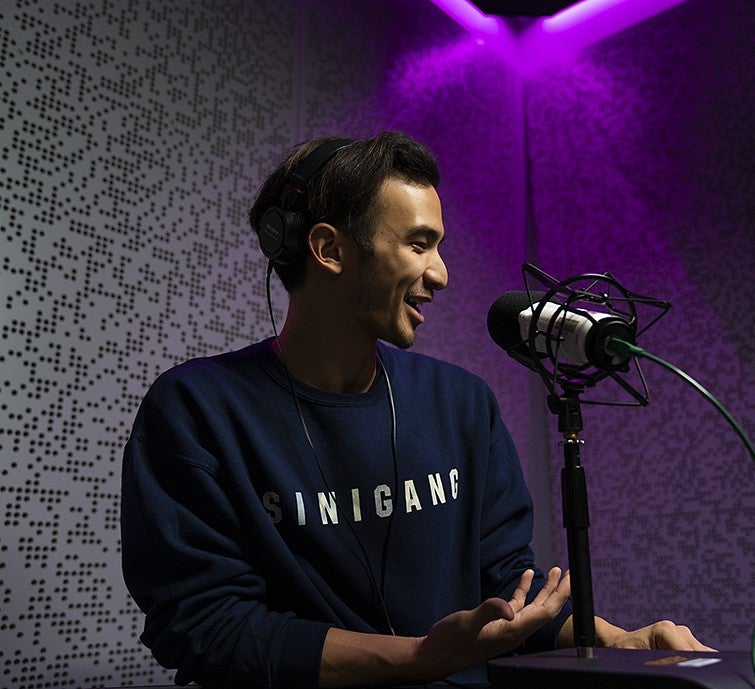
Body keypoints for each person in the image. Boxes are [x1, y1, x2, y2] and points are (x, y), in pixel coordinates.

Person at [121, 131, 712, 689]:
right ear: (328, 249)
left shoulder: (462, 404)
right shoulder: (194, 410)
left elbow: (504, 588)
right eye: (418, 244)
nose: (442, 274)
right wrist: (421, 659)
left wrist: (617, 640)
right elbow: (205, 628)